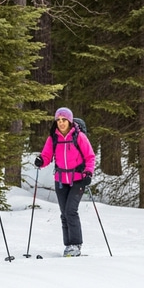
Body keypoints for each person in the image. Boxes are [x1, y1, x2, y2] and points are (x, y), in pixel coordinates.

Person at [34, 107, 95, 257]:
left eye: (64, 120)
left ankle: (76, 244)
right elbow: (47, 156)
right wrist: (41, 161)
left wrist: (88, 173)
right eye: (58, 120)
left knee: (70, 211)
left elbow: (90, 156)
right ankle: (68, 245)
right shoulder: (53, 138)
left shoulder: (79, 136)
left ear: (70, 121)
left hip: (78, 179)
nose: (61, 123)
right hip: (61, 180)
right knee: (64, 213)